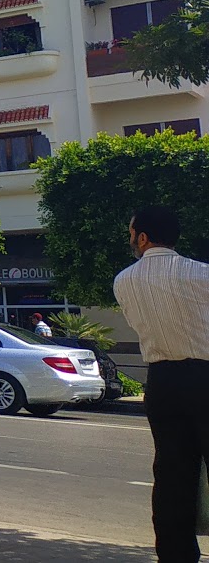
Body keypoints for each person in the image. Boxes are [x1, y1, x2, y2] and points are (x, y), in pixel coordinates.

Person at [113, 205, 209, 563]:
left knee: (171, 474)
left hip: (163, 381)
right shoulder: (202, 274)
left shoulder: (124, 281)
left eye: (131, 233)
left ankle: (175, 555)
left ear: (143, 238)